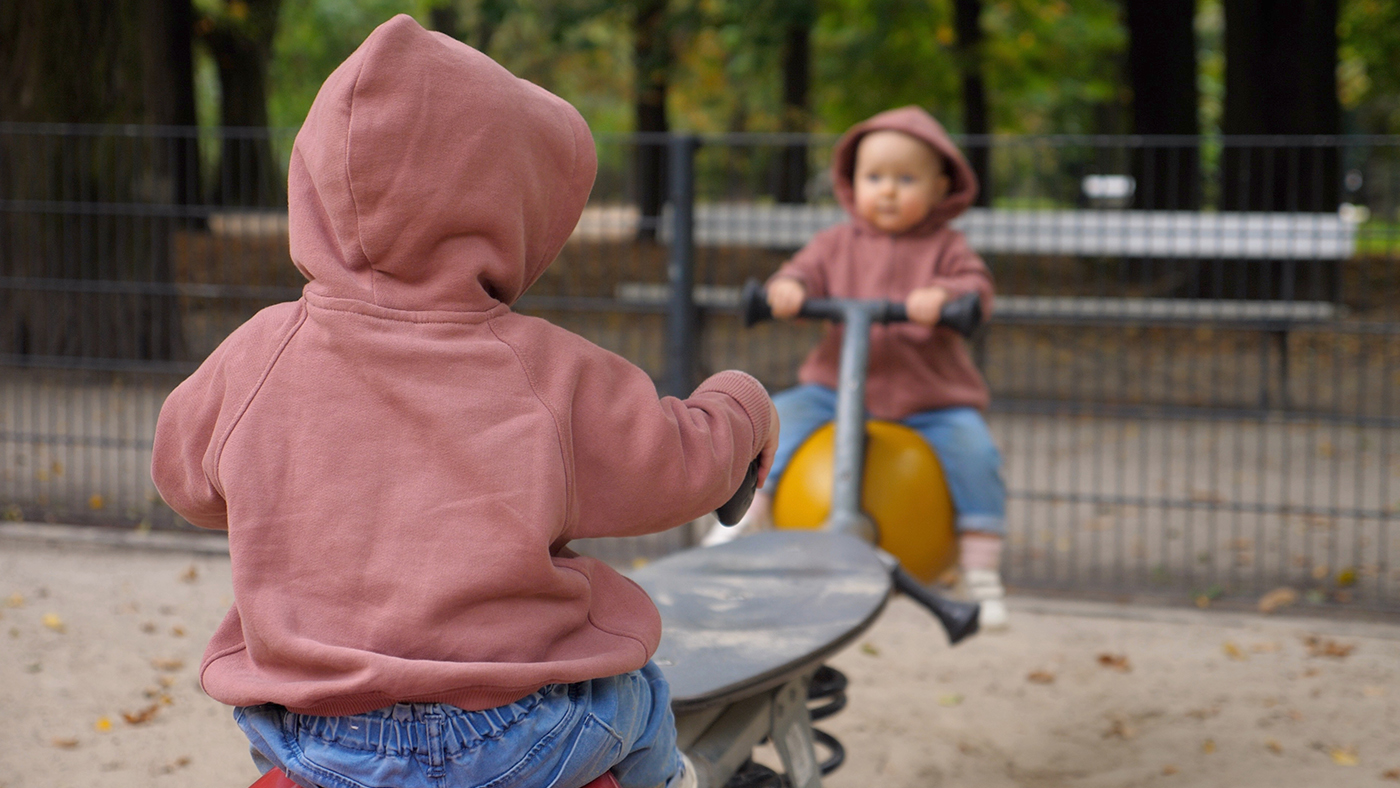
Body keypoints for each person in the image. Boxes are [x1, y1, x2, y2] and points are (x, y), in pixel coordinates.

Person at [151, 15, 777, 788]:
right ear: (507, 202)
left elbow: (185, 479)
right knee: (639, 691)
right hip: (517, 733)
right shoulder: (546, 370)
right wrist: (743, 406)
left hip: (316, 732)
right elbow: (676, 465)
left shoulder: (258, 354)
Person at [703, 106, 1009, 630]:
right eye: (874, 178)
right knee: (775, 422)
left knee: (976, 452)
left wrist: (945, 295)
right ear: (850, 183)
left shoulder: (947, 248)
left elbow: (976, 287)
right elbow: (799, 272)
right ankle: (745, 519)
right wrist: (790, 290)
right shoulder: (836, 243)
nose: (887, 191)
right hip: (834, 387)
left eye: (906, 179)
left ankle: (981, 570)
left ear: (941, 188)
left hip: (930, 397)